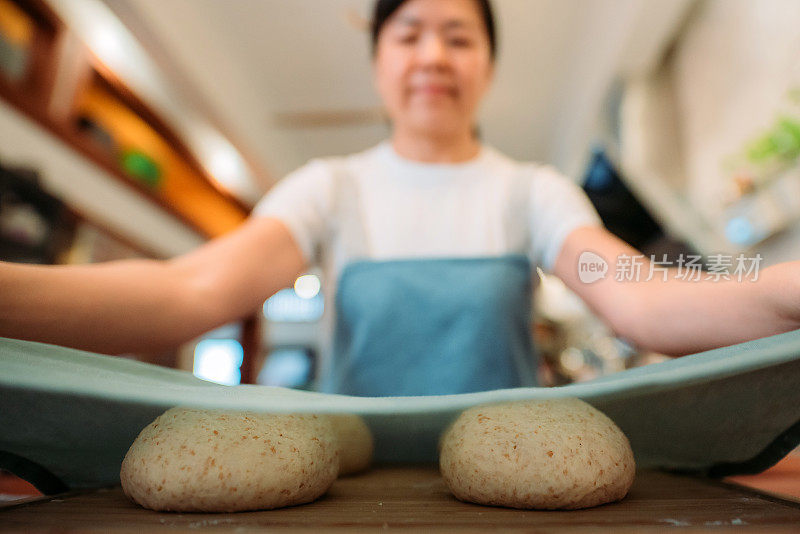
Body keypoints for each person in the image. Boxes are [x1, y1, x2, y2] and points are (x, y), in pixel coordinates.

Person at [0, 0, 798, 396]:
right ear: (379, 61)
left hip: (504, 471)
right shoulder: (330, 188)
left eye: (459, 37)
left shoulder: (531, 191)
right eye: (409, 34)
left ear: (487, 65)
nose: (433, 56)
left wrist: (773, 288)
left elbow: (639, 296)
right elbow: (193, 290)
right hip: (354, 477)